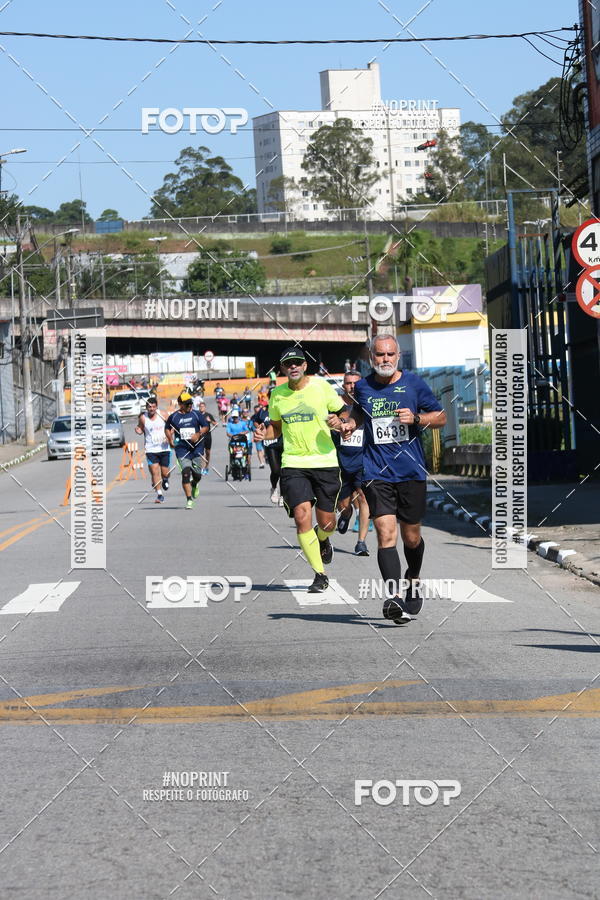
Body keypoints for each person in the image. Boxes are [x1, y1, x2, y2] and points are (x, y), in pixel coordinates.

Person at [334, 334, 446, 623]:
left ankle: (414, 577)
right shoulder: (362, 387)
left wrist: (418, 419)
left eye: (390, 354)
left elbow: (441, 417)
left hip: (410, 472)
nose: (385, 359)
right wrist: (347, 425)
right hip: (375, 472)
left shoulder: (414, 384)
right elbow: (359, 414)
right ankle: (395, 597)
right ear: (371, 358)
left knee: (411, 537)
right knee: (385, 533)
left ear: (398, 356)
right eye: (379, 355)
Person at [254, 347, 346, 593]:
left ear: (305, 365)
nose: (293, 366)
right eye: (288, 364)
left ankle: (323, 540)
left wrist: (340, 421)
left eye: (297, 362)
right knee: (301, 516)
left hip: (325, 461)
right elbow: (276, 427)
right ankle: (320, 574)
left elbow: (343, 411)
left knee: (327, 524)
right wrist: (265, 433)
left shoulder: (321, 387)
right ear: (283, 369)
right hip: (293, 463)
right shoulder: (278, 395)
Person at [332, 370, 371, 555]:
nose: (352, 386)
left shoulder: (367, 404)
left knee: (363, 497)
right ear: (343, 385)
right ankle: (346, 515)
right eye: (348, 383)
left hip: (363, 461)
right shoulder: (334, 406)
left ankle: (361, 542)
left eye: (356, 383)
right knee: (344, 505)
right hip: (341, 462)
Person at [164, 391, 210, 510]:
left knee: (197, 475)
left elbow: (206, 426)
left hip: (197, 448)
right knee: (185, 472)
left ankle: (194, 483)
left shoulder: (196, 414)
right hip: (182, 449)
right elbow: (167, 428)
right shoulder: (174, 417)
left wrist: (198, 434)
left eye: (191, 403)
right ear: (180, 404)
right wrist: (170, 440)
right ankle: (189, 499)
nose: (190, 405)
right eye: (187, 403)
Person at [135, 397, 171, 503]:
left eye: (153, 406)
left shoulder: (163, 414)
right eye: (149, 407)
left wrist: (168, 437)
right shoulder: (143, 417)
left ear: (157, 406)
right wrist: (138, 430)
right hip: (151, 449)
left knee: (165, 473)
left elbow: (172, 427)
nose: (152, 409)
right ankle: (159, 494)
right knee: (155, 472)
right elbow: (140, 428)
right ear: (146, 407)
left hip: (164, 448)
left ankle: (165, 479)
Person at [226, 409, 250, 479]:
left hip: (242, 443)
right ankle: (233, 467)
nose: (235, 419)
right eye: (233, 417)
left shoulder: (242, 423)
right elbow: (228, 433)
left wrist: (241, 433)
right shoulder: (230, 424)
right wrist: (233, 436)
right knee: (232, 455)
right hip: (233, 443)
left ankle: (245, 470)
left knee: (244, 455)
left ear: (238, 417)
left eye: (236, 417)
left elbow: (247, 430)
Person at [197, 400, 216, 475]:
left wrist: (210, 420)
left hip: (208, 436)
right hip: (200, 436)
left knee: (207, 452)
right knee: (201, 453)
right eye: (200, 407)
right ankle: (201, 468)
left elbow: (216, 424)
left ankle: (206, 467)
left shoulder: (208, 415)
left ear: (205, 407)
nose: (201, 408)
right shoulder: (197, 415)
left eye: (203, 406)